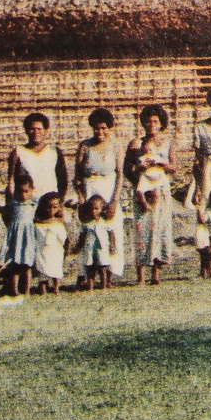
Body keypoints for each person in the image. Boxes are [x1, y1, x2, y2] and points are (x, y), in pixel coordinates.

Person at [126, 104, 178, 285]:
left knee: (159, 228)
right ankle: (140, 275)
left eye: (155, 121)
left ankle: (156, 273)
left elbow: (173, 167)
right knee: (142, 230)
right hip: (143, 189)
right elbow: (127, 169)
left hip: (161, 190)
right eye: (148, 121)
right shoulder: (136, 143)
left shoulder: (168, 142)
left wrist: (161, 164)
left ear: (161, 123)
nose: (151, 124)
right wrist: (139, 176)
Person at [74, 108, 126, 284]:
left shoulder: (116, 145)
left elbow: (120, 173)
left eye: (104, 128)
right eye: (97, 128)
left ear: (109, 127)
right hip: (89, 191)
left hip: (108, 189)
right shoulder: (84, 146)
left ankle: (109, 275)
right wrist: (81, 199)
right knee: (88, 233)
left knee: (111, 231)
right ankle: (87, 276)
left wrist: (114, 201)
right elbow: (78, 176)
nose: (100, 132)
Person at [0, 175, 38, 298]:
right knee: (14, 265)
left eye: (26, 191)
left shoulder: (34, 205)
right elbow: (5, 215)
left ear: (32, 190)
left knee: (27, 265)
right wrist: (11, 227)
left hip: (29, 237)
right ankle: (14, 291)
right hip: (15, 237)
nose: (23, 195)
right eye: (20, 191)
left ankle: (26, 291)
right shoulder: (13, 205)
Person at [75, 194, 117, 290]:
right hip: (89, 248)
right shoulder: (86, 223)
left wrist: (112, 246)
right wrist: (79, 245)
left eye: (96, 209)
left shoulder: (105, 222)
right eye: (91, 209)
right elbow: (82, 235)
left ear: (102, 209)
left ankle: (104, 285)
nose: (94, 211)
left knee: (102, 267)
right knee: (90, 268)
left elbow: (111, 233)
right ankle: (90, 286)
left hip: (102, 247)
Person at [31, 191, 69, 295]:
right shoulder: (38, 223)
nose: (52, 210)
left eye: (55, 207)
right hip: (42, 249)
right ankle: (42, 288)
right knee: (42, 269)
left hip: (55, 249)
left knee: (56, 268)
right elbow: (35, 236)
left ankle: (56, 287)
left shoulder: (58, 223)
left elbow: (63, 237)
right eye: (49, 207)